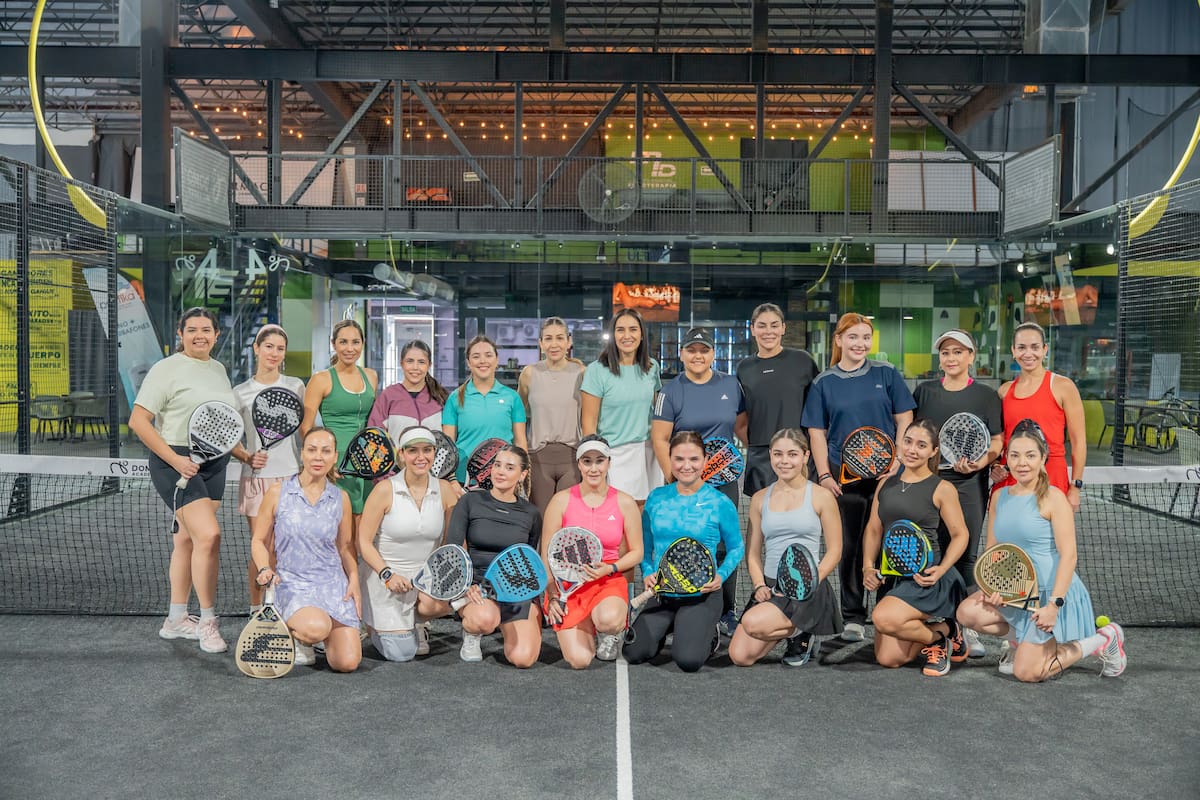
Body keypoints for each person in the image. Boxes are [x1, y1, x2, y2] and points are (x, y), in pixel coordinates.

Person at [958, 420, 1126, 681]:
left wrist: (1054, 606)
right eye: (1014, 455)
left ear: (1043, 458)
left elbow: (1069, 556)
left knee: (1028, 673)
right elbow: (993, 550)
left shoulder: (1054, 498)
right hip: (1016, 593)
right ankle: (1023, 644)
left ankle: (1101, 639)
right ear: (1007, 459)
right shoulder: (1000, 497)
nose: (1022, 462)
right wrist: (992, 588)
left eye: (1030, 455)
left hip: (1050, 595)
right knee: (966, 612)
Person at [129, 307, 249, 654]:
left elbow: (220, 422)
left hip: (213, 462)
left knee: (187, 541)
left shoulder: (218, 369)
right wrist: (176, 460)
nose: (200, 335)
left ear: (216, 335)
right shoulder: (165, 369)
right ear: (180, 333)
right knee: (210, 536)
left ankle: (175, 619)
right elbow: (139, 422)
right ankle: (208, 621)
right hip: (175, 460)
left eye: (206, 329)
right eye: (192, 329)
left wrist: (241, 454)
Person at [802, 312, 916, 642]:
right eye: (853, 337)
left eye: (866, 337)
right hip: (844, 480)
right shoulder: (824, 383)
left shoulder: (886, 373)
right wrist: (824, 474)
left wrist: (898, 458)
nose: (860, 344)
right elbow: (816, 432)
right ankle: (853, 615)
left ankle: (886, 608)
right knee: (850, 547)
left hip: (888, 477)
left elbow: (904, 417)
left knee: (887, 543)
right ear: (839, 340)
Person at [912, 329, 1003, 658]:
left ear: (971, 357)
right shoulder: (924, 392)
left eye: (958, 352)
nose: (951, 358)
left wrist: (982, 461)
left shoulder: (986, 396)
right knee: (932, 553)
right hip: (929, 484)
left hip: (969, 485)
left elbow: (996, 441)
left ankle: (966, 628)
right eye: (946, 352)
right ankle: (937, 624)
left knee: (966, 557)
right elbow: (914, 435)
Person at [651, 326, 747, 634]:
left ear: (713, 354)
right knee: (683, 539)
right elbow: (660, 439)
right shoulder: (669, 391)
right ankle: (677, 600)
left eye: (704, 350)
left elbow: (742, 428)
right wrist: (676, 479)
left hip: (723, 480)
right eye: (691, 350)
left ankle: (725, 610)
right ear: (682, 354)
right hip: (684, 481)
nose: (697, 355)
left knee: (725, 546)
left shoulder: (731, 385)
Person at [624, 431, 744, 673]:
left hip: (702, 594)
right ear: (670, 459)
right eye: (679, 459)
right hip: (663, 592)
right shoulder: (656, 498)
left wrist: (720, 576)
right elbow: (646, 546)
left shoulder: (719, 502)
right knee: (634, 653)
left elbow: (737, 547)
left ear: (705, 461)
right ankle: (674, 625)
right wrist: (647, 571)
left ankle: (708, 633)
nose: (686, 466)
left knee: (687, 661)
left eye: (694, 459)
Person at [861, 419, 969, 677]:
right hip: (893, 578)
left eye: (921, 445)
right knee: (888, 659)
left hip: (927, 579)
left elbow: (960, 534)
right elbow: (874, 529)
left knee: (884, 618)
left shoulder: (942, 488)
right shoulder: (885, 483)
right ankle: (946, 631)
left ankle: (933, 640)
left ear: (933, 451)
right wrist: (867, 566)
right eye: (908, 441)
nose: (912, 449)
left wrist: (941, 570)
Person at [729, 428, 843, 668]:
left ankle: (803, 630)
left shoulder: (821, 496)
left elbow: (835, 551)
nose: (784, 461)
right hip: (771, 586)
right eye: (778, 454)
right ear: (770, 456)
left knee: (752, 623)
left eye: (792, 454)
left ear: (805, 456)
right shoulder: (760, 498)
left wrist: (807, 584)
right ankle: (796, 630)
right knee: (740, 656)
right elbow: (753, 553)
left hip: (808, 589)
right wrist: (760, 585)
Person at [250, 427, 362, 672]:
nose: (318, 457)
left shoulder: (340, 498)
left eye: (325, 451)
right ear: (302, 454)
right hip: (293, 584)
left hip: (332, 585)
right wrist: (265, 568)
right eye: (312, 450)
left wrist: (353, 579)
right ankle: (301, 635)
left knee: (348, 662)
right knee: (316, 627)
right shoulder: (278, 493)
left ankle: (316, 630)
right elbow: (258, 541)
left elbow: (345, 547)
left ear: (334, 456)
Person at [357, 426, 459, 661]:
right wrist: (387, 575)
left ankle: (419, 621)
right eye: (413, 451)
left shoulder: (445, 490)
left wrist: (441, 575)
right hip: (388, 579)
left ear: (434, 453)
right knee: (402, 653)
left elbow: (450, 543)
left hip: (426, 579)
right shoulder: (384, 490)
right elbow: (364, 541)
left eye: (427, 450)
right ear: (401, 454)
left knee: (452, 603)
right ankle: (372, 623)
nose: (420, 457)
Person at [541, 435, 644, 668]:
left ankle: (609, 628)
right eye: (587, 461)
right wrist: (553, 595)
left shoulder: (625, 502)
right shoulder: (560, 501)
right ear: (578, 464)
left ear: (608, 462)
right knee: (579, 661)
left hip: (607, 579)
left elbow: (637, 552)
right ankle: (587, 620)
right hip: (567, 585)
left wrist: (611, 567)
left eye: (599, 461)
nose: (594, 468)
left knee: (608, 620)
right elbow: (546, 553)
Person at [231, 324, 306, 617]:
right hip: (257, 480)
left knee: (289, 547)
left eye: (280, 348)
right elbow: (229, 436)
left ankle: (288, 606)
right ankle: (256, 607)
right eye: (269, 347)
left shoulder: (296, 386)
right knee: (261, 545)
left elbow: (302, 434)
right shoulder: (240, 392)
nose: (274, 353)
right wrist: (246, 456)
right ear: (256, 348)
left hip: (290, 477)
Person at [445, 445, 543, 667]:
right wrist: (466, 584)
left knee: (523, 659)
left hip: (514, 590)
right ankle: (472, 633)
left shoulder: (532, 514)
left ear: (523, 474)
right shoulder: (470, 502)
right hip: (477, 587)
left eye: (509, 467)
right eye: (497, 465)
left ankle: (504, 619)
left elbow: (528, 557)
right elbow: (453, 550)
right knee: (484, 620)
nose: (500, 472)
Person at [992, 322, 1088, 513]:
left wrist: (1075, 487)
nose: (1028, 354)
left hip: (1052, 478)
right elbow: (1000, 440)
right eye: (1021, 347)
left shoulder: (1063, 386)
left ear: (1045, 349)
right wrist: (995, 466)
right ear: (1013, 350)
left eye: (1035, 347)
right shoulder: (1004, 391)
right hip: (1010, 480)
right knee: (1008, 541)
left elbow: (1079, 442)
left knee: (1047, 541)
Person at [735, 303, 819, 498]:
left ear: (783, 328)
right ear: (753, 329)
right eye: (762, 325)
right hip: (761, 459)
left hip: (799, 456)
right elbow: (741, 419)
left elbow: (818, 412)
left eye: (774, 325)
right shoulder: (744, 368)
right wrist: (761, 446)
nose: (768, 331)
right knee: (760, 520)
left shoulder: (802, 361)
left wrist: (805, 450)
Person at [580, 308, 662, 505]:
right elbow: (589, 422)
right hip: (613, 454)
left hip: (647, 452)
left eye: (633, 329)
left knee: (644, 514)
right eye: (620, 330)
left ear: (642, 335)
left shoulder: (652, 367)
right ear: (612, 335)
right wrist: (594, 459)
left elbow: (658, 412)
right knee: (616, 514)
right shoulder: (596, 371)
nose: (627, 336)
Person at [301, 319, 378, 525]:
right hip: (337, 463)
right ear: (333, 344)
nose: (350, 348)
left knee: (362, 530)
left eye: (355, 342)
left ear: (363, 344)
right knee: (341, 532)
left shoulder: (371, 376)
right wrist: (324, 462)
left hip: (367, 462)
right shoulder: (321, 379)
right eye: (343, 342)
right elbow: (306, 428)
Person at [443, 335, 528, 488]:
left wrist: (522, 479)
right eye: (476, 356)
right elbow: (448, 446)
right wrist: (452, 480)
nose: (483, 361)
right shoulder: (455, 398)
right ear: (469, 363)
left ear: (496, 360)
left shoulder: (512, 398)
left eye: (488, 355)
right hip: (464, 480)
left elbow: (520, 442)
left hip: (504, 478)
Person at [518, 317, 585, 509]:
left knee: (568, 518)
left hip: (572, 457)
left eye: (559, 338)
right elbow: (519, 417)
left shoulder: (582, 373)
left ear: (568, 341)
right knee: (540, 519)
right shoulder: (529, 373)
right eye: (548, 338)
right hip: (538, 458)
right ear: (540, 343)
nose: (554, 344)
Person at [367, 339, 448, 445]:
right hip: (396, 461)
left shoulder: (440, 397)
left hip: (432, 462)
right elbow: (373, 438)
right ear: (402, 363)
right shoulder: (388, 396)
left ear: (429, 365)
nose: (415, 367)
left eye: (421, 362)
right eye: (410, 361)